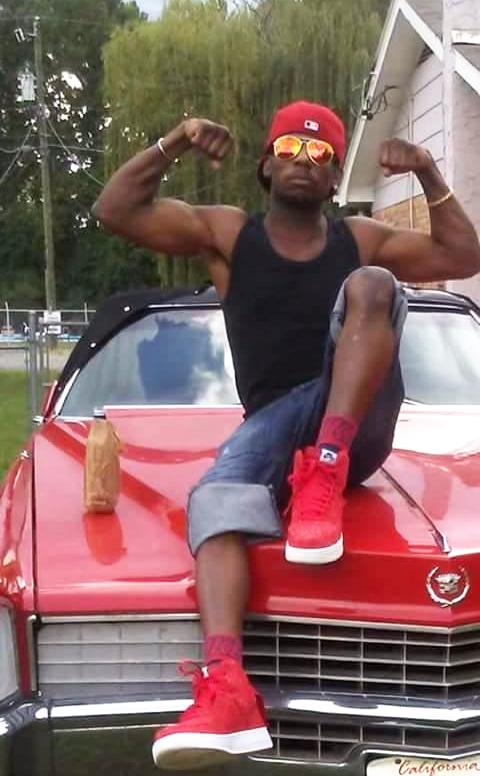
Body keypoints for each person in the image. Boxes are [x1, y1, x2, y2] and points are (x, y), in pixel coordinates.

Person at [93, 100, 480, 771]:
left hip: (356, 429)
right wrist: (176, 138)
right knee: (215, 498)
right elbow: (116, 210)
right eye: (289, 150)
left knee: (373, 284)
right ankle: (228, 691)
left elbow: (463, 254)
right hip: (274, 425)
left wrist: (426, 170)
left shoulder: (358, 238)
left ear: (333, 179)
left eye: (321, 153)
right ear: (266, 167)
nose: (304, 160)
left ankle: (324, 467)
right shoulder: (227, 234)